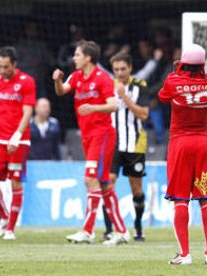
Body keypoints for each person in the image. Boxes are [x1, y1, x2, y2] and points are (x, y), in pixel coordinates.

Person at [53, 40, 130, 246]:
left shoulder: (103, 78)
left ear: (88, 57)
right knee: (104, 184)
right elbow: (62, 91)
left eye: (77, 55)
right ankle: (122, 231)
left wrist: (93, 108)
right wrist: (58, 81)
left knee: (90, 179)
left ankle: (87, 231)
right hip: (87, 136)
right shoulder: (77, 76)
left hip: (102, 134)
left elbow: (113, 105)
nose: (74, 58)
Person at [158, 44, 207, 265]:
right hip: (203, 144)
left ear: (182, 62)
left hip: (180, 144)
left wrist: (178, 71)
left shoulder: (173, 81)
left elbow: (163, 96)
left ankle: (185, 255)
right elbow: (200, 80)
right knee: (206, 198)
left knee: (180, 199)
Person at [0, 46, 36, 240]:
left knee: (15, 181)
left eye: (6, 67)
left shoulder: (26, 82)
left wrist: (17, 135)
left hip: (18, 140)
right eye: (0, 66)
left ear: (14, 64)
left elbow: (28, 111)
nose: (3, 70)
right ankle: (4, 217)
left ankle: (11, 229)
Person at [102, 53, 149, 241]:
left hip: (135, 145)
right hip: (112, 143)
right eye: (116, 70)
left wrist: (124, 97)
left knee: (136, 189)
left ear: (130, 68)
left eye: (123, 69)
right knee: (108, 182)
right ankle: (109, 229)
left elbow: (144, 114)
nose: (119, 73)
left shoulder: (139, 86)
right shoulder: (106, 86)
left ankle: (138, 226)